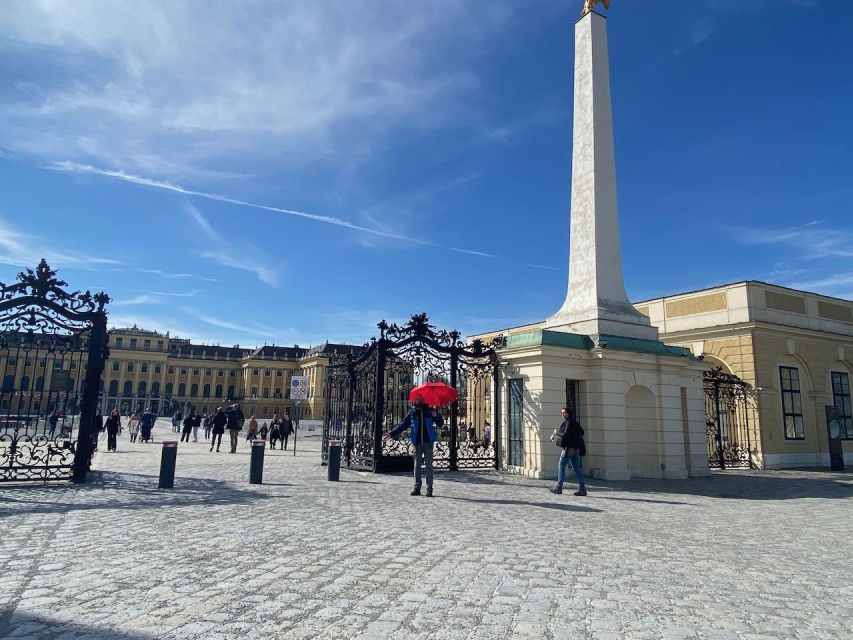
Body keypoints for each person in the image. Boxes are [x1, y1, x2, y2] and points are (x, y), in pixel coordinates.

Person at [386, 401, 444, 497]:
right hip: (416, 442)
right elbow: (404, 424)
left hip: (428, 442)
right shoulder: (412, 412)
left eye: (421, 397)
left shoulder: (430, 411)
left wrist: (436, 415)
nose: (419, 399)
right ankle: (417, 488)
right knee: (417, 465)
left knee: (429, 465)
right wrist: (392, 433)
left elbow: (441, 423)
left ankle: (429, 488)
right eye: (418, 397)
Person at [551, 407, 587, 496]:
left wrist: (556, 432)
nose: (563, 414)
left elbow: (565, 434)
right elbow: (582, 432)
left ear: (569, 413)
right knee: (577, 469)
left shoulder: (569, 422)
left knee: (561, 466)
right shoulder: (574, 422)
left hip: (568, 449)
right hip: (576, 448)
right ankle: (582, 489)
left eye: (564, 413)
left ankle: (559, 487)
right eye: (562, 413)